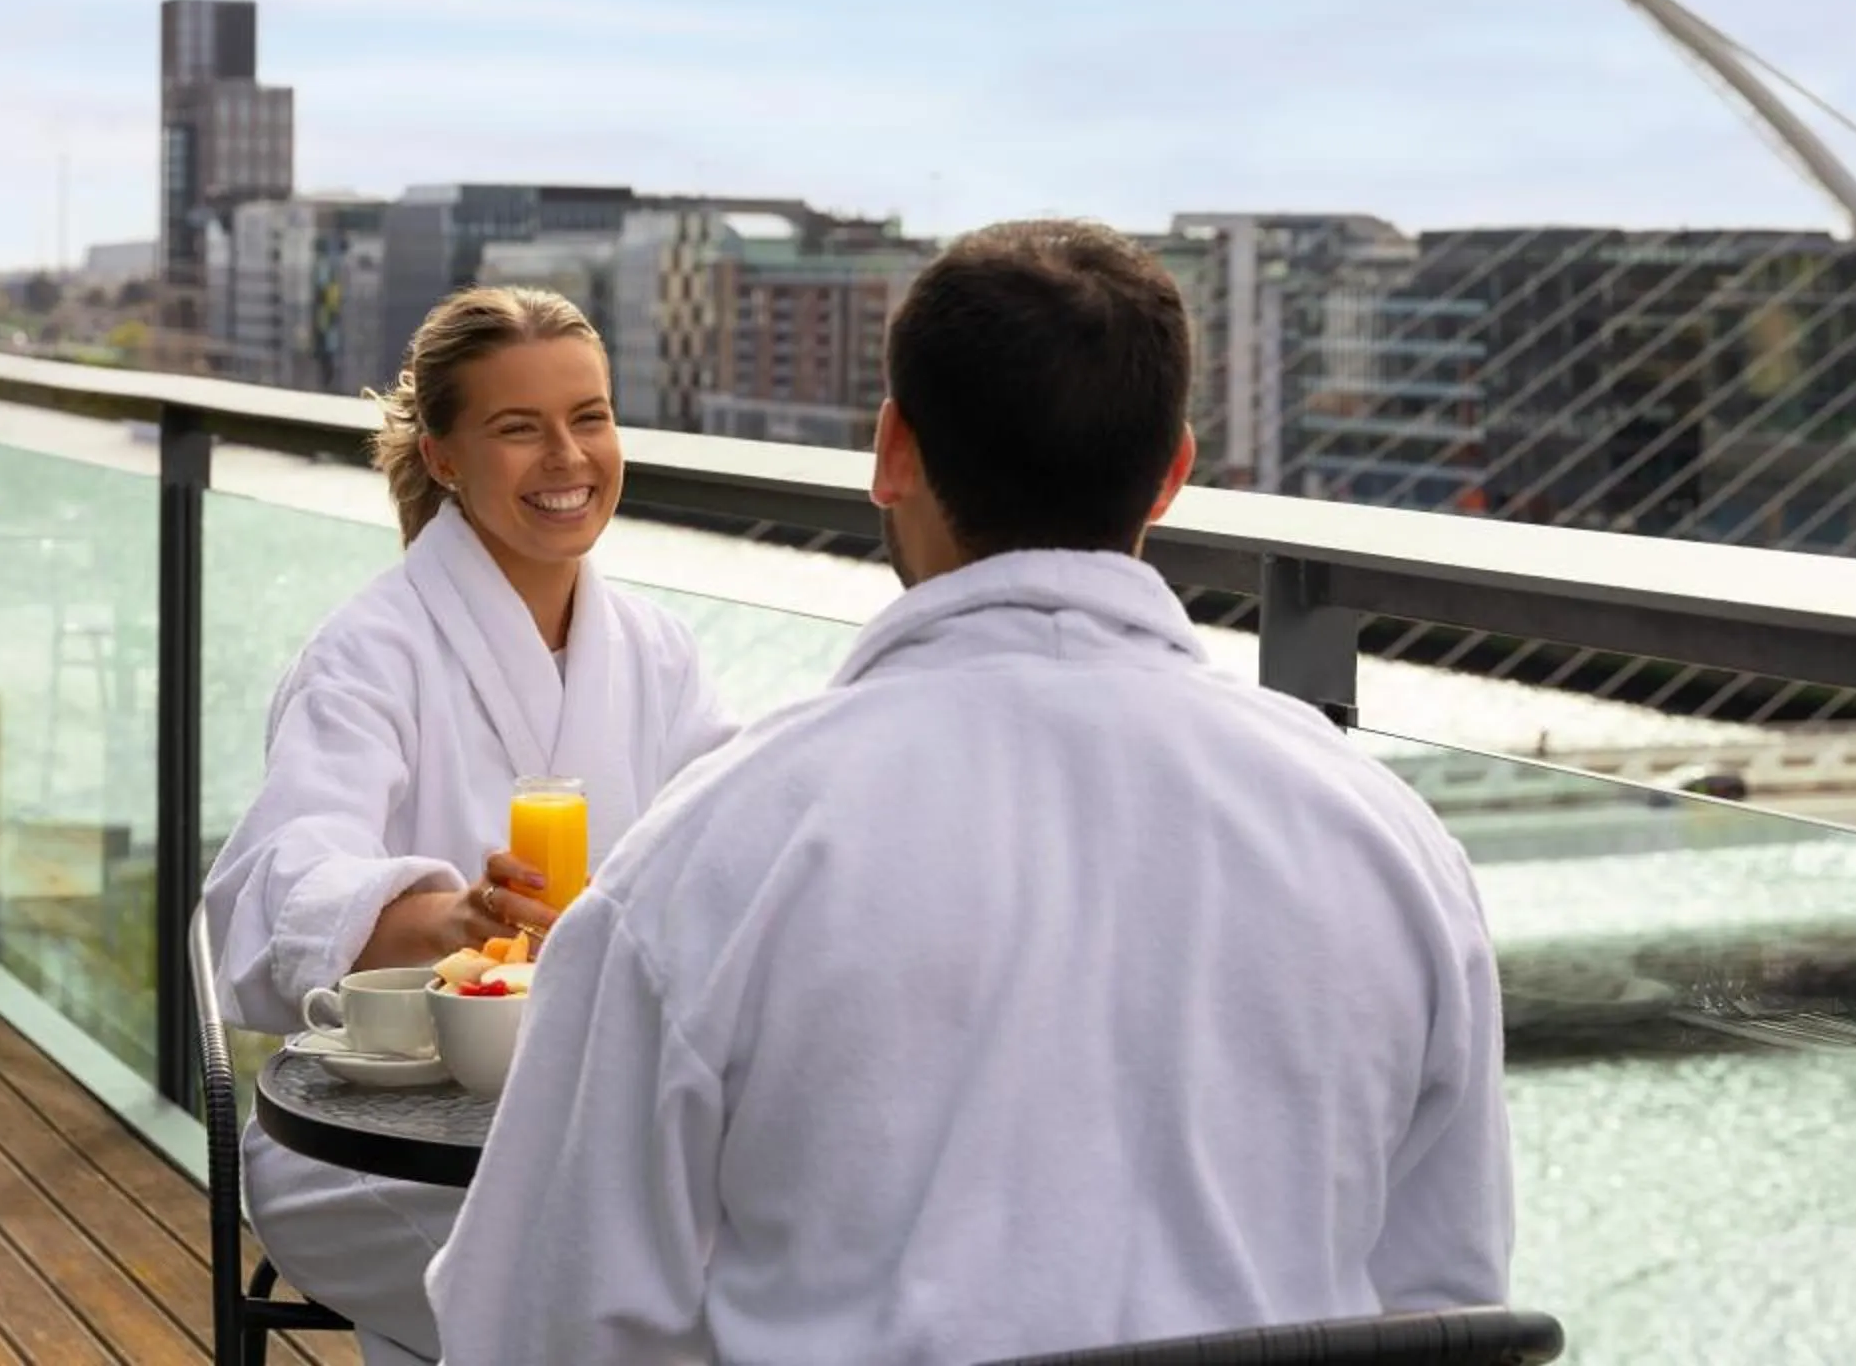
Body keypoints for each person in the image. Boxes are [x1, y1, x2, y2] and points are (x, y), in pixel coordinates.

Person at [430, 222, 1510, 1365]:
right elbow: (1448, 1305)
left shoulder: (712, 856)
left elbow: (531, 1326)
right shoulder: (1391, 842)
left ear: (893, 449)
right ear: (1174, 470)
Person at [204, 286, 736, 1365]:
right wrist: (451, 917)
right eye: (518, 426)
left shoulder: (658, 650)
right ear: (442, 456)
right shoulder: (369, 651)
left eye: (589, 415)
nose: (568, 454)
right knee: (603, 1289)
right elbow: (274, 878)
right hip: (378, 1140)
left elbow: (733, 837)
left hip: (596, 1120)